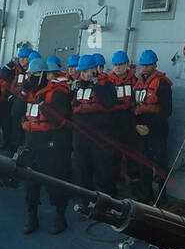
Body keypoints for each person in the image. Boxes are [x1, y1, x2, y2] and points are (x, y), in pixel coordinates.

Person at [19, 56, 73, 234]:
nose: (30, 78)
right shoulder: (28, 94)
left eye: (34, 74)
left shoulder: (57, 93)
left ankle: (60, 216)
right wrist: (23, 94)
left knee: (54, 182)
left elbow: (59, 120)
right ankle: (31, 217)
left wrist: (41, 103)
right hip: (31, 142)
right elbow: (15, 113)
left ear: (43, 75)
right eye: (29, 75)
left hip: (50, 143)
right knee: (30, 184)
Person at [69, 54, 119, 212]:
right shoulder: (77, 86)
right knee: (82, 168)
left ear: (94, 69)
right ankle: (85, 201)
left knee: (102, 169)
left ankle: (106, 203)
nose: (83, 74)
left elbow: (110, 103)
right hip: (80, 135)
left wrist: (97, 84)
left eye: (86, 71)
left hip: (100, 135)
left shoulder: (107, 84)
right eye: (81, 71)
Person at [129, 49, 173, 203]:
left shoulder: (163, 84)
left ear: (155, 65)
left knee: (160, 165)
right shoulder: (137, 82)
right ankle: (146, 195)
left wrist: (150, 127)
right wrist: (136, 126)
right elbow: (133, 106)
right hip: (140, 129)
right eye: (143, 65)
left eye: (148, 65)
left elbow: (166, 110)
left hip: (157, 130)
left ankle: (162, 198)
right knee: (143, 165)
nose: (145, 68)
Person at [105, 50, 136, 191]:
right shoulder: (107, 81)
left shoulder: (135, 81)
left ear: (127, 65)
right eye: (115, 64)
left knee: (131, 153)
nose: (117, 67)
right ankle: (112, 183)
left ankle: (134, 183)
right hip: (113, 122)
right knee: (113, 155)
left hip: (129, 122)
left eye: (121, 64)